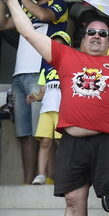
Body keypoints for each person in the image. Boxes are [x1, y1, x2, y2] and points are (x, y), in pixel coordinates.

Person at [0, 0, 109, 216]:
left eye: (102, 34)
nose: (96, 36)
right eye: (91, 32)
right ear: (82, 39)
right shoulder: (66, 56)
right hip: (72, 141)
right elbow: (28, 31)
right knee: (72, 202)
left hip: (108, 142)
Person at [0, 0, 68, 185]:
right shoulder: (26, 8)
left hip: (42, 74)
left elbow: (44, 14)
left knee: (44, 133)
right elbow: (0, 24)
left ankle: (49, 180)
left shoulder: (59, 4)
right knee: (25, 134)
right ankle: (28, 182)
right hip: (19, 75)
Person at [27, 30, 71, 184]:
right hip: (46, 109)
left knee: (62, 143)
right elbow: (42, 92)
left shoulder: (70, 66)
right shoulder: (46, 69)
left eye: (60, 45)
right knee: (45, 142)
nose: (56, 48)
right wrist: (35, 97)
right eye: (54, 45)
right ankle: (41, 174)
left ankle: (62, 174)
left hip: (62, 110)